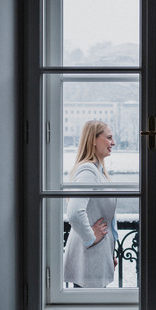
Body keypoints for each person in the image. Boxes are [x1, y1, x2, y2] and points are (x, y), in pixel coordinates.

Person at [64, 120, 118, 288]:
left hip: (97, 255)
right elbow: (74, 212)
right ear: (93, 140)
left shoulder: (98, 171)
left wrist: (110, 253)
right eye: (109, 138)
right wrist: (90, 238)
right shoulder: (88, 171)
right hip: (89, 256)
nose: (113, 143)